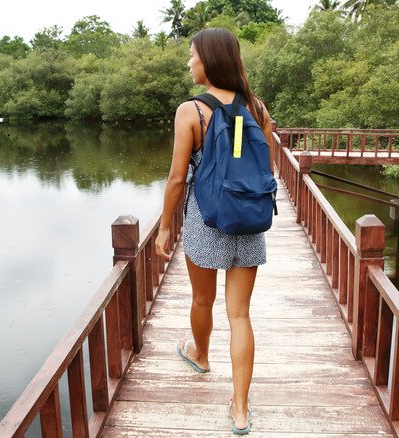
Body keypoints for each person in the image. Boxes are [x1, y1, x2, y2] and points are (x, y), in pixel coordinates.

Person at [154, 27, 276, 435]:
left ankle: (201, 356)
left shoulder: (192, 111)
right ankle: (240, 409)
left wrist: (164, 229)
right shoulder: (257, 108)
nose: (188, 62)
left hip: (206, 220)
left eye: (191, 55)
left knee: (202, 300)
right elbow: (267, 170)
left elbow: (175, 179)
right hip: (250, 221)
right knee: (240, 315)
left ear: (209, 60)